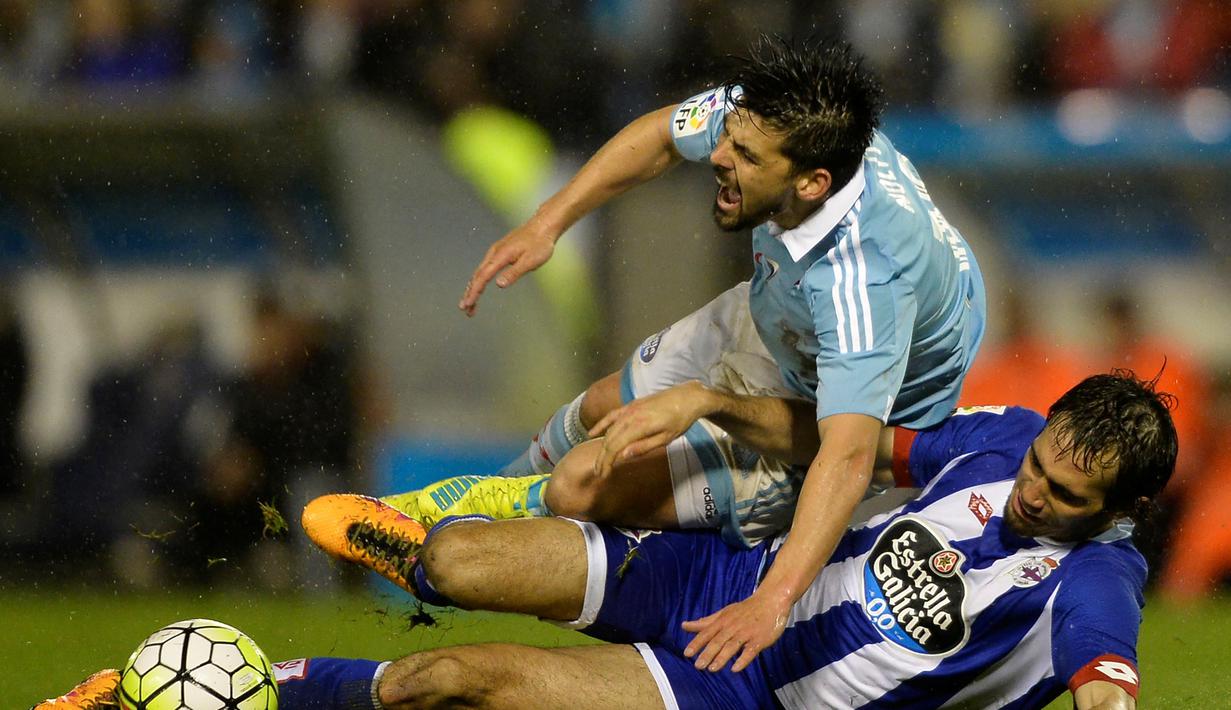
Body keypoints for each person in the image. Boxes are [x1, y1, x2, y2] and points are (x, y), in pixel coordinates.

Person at [39, 371, 1174, 710]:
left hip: (740, 698)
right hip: (724, 581)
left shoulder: (1096, 580)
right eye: (1039, 465)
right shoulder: (1002, 440)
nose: (1033, 492)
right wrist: (712, 402)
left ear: (1115, 510)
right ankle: (423, 552)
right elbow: (852, 447)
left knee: (445, 682)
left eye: (1063, 494)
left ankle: (197, 696)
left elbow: (1102, 684)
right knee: (457, 560)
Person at [382, 35, 987, 670]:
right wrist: (548, 222)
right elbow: (663, 136)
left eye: (744, 156)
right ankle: (480, 502)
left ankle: (470, 539)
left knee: (580, 485)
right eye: (729, 137)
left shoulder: (864, 285)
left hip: (841, 414)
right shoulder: (782, 117)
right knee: (601, 406)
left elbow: (848, 455)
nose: (719, 155)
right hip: (788, 311)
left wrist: (774, 601)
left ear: (812, 184)